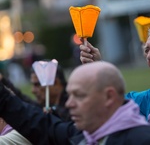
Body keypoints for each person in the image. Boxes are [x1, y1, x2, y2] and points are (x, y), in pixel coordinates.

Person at [0, 62, 150, 145]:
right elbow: (36, 123)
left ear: (109, 97)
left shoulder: (141, 140)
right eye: (70, 95)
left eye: (79, 95)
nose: (69, 103)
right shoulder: (83, 136)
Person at [79, 38, 150, 120]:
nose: (148, 56)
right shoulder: (144, 99)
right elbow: (113, 103)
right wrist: (97, 66)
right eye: (147, 50)